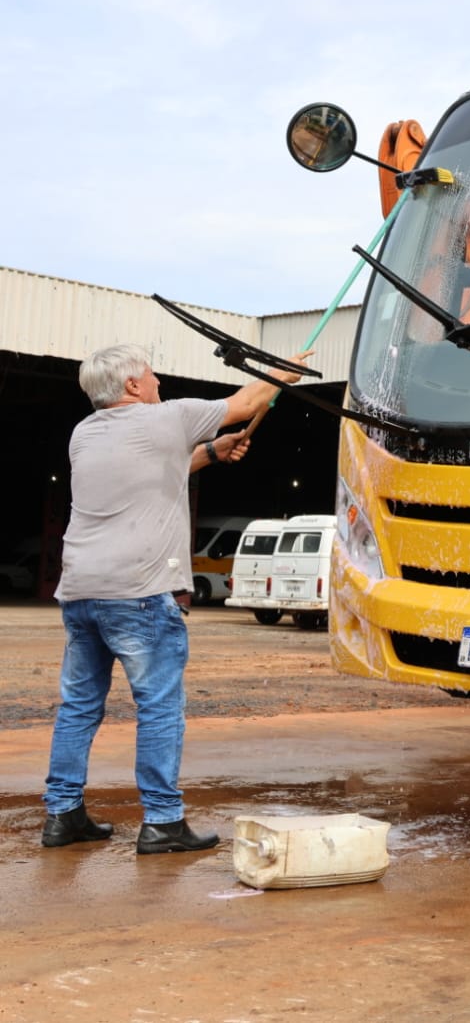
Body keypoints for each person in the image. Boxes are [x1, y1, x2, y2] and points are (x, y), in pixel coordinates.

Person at [42, 343, 307, 855]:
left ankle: (62, 814)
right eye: (151, 374)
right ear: (132, 387)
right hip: (140, 593)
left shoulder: (84, 435)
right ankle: (163, 821)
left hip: (81, 591)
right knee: (159, 708)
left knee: (78, 707)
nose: (158, 380)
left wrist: (212, 452)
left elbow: (155, 468)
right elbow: (249, 401)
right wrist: (283, 372)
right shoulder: (168, 417)